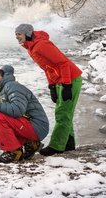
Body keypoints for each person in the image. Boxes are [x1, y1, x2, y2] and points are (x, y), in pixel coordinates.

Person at [15, 23, 83, 156]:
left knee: (62, 113)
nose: (17, 37)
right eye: (16, 35)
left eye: (19, 34)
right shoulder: (31, 48)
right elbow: (47, 68)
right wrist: (51, 86)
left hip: (70, 79)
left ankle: (57, 146)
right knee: (65, 111)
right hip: (60, 81)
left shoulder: (41, 45)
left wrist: (67, 85)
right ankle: (68, 143)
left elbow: (62, 63)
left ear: (28, 33)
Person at [0, 65, 49, 163]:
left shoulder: (12, 86)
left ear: (0, 77)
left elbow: (18, 110)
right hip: (29, 125)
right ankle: (31, 144)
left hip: (38, 126)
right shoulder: (5, 88)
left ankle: (13, 152)